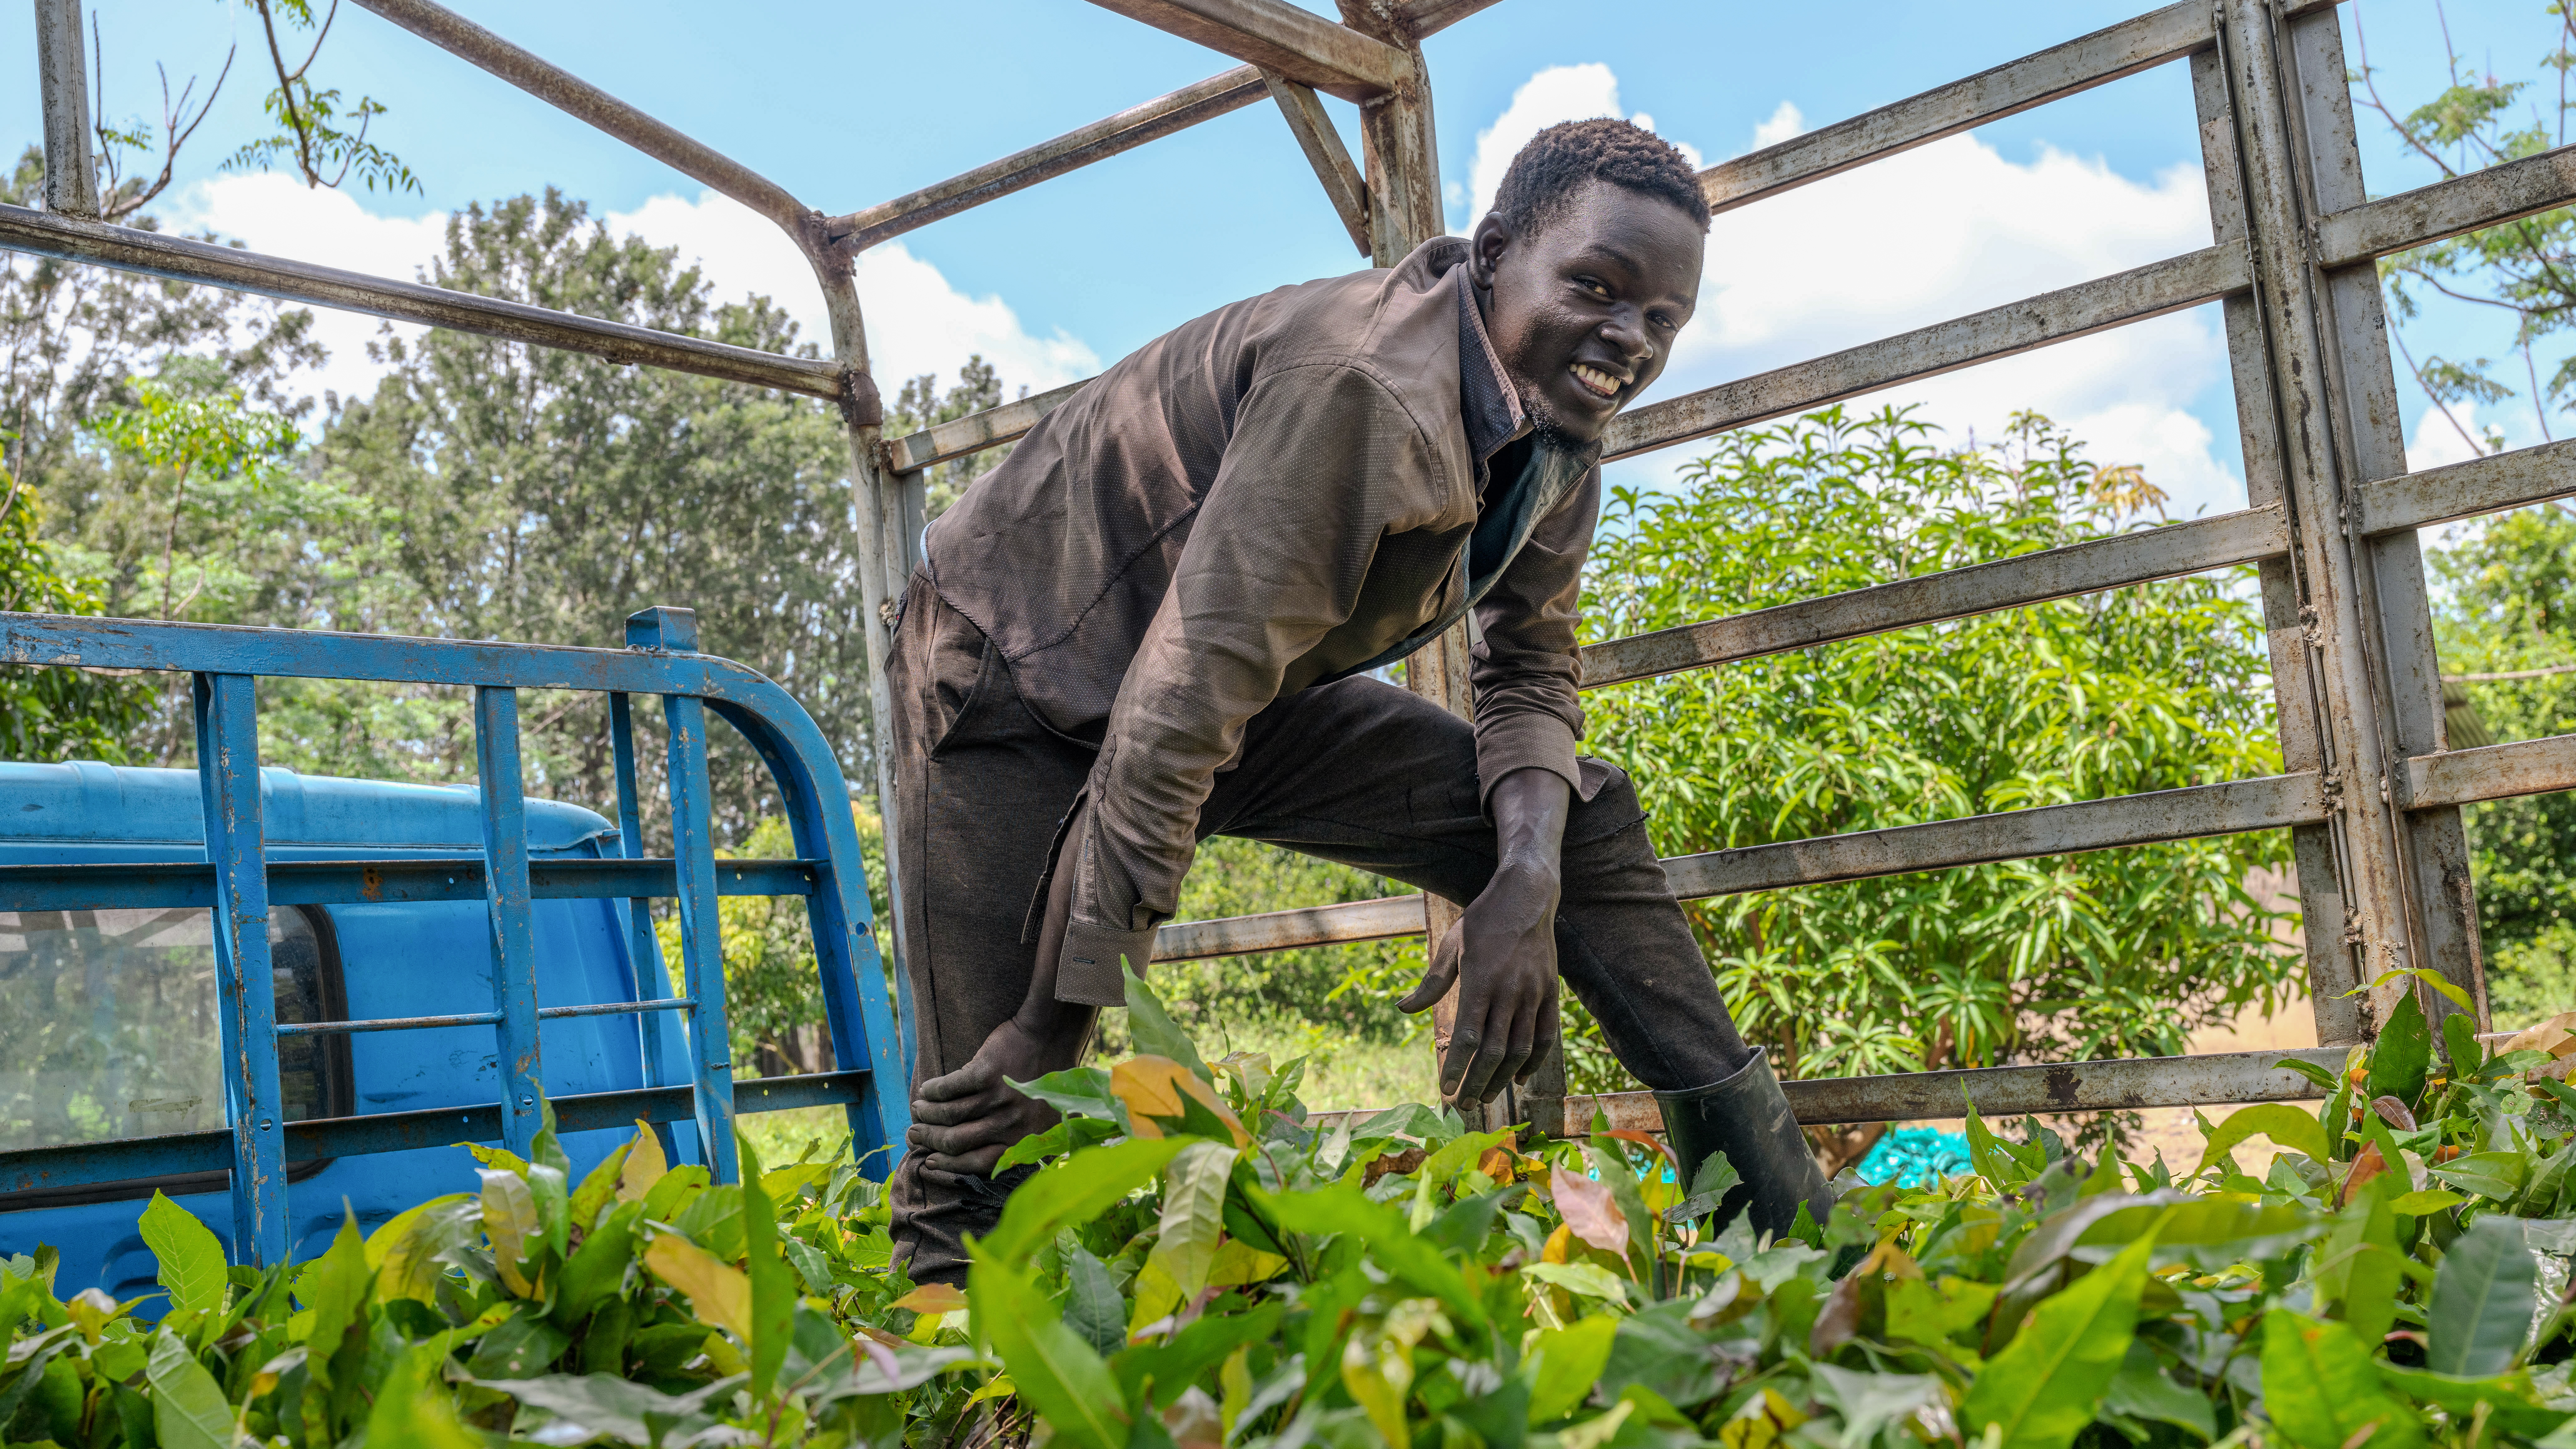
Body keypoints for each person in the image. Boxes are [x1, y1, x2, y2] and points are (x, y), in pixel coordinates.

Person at [884, 118, 1832, 1285]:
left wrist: (1524, 882)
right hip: (1014, 673)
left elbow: (1528, 669)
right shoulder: (1361, 390)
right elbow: (1174, 714)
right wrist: (1053, 1022)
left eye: (1662, 319)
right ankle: (935, 1344)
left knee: (1570, 820)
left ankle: (1782, 1239)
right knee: (994, 1112)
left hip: (1236, 692)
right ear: (1493, 259)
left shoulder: (1560, 436)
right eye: (1595, 286)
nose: (1627, 338)